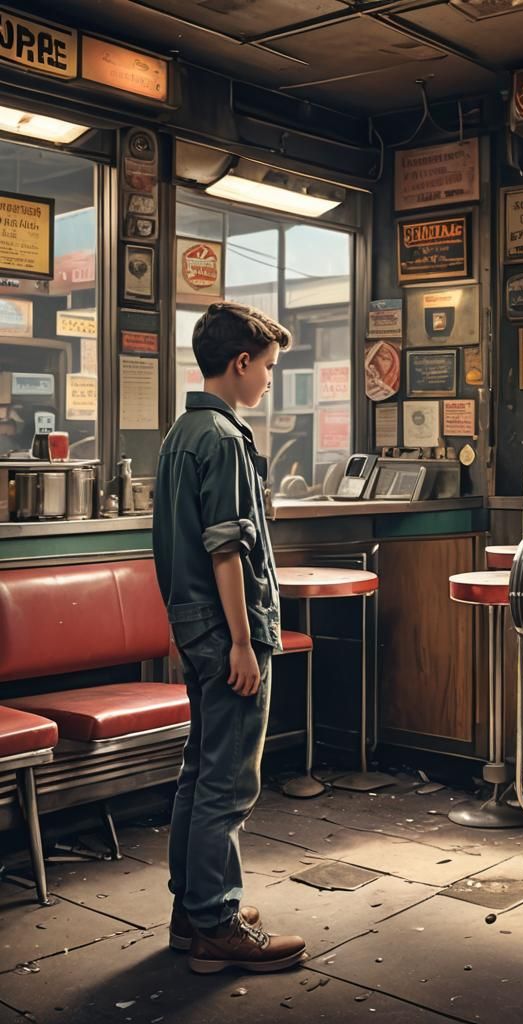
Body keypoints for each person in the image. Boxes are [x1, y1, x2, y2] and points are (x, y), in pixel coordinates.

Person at [153, 301, 306, 974]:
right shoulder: (222, 437)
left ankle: (193, 910)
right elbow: (226, 552)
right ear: (241, 362)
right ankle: (217, 923)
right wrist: (244, 642)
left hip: (192, 626)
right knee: (229, 780)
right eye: (268, 367)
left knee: (200, 770)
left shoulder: (182, 432)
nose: (269, 379)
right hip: (226, 633)